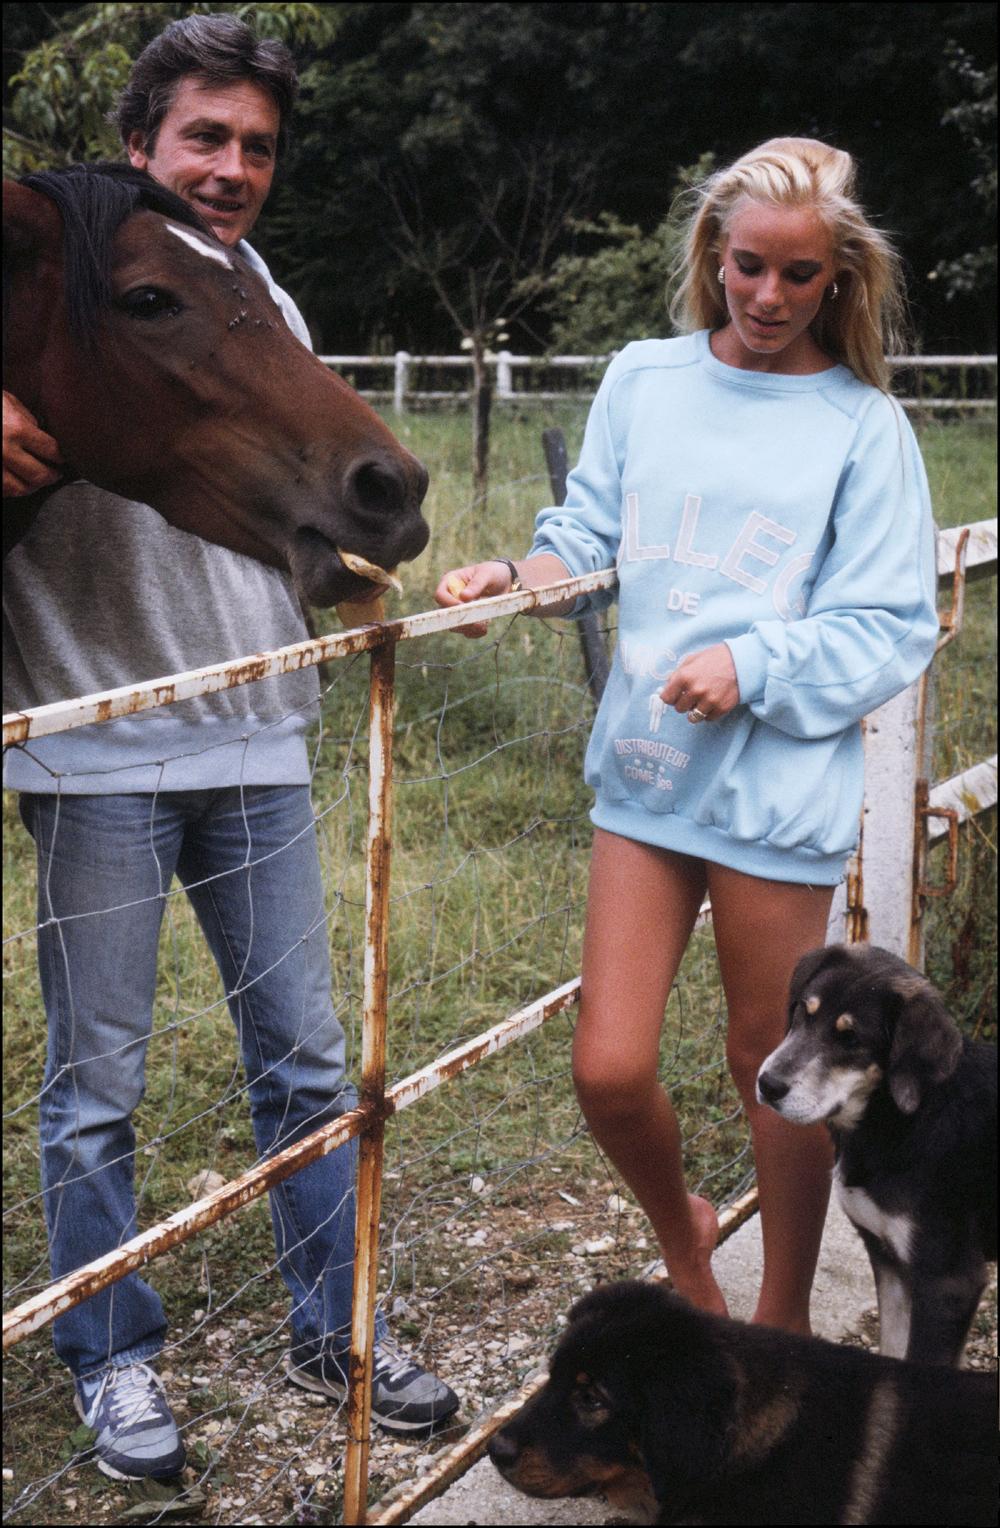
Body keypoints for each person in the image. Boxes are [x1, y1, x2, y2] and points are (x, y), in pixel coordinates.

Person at [3, 14, 457, 1483]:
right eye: (206, 136)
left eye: (258, 145)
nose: (233, 167)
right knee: (97, 1093)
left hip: (259, 738)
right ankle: (113, 1354)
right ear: (141, 144)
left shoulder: (261, 297)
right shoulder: (69, 280)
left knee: (308, 1064)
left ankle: (339, 1318)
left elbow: (296, 501)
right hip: (99, 751)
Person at [435, 138, 939, 1333]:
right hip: (648, 776)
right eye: (747, 267)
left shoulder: (861, 429)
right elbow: (591, 536)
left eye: (798, 276)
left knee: (771, 1076)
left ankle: (777, 1330)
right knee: (607, 1067)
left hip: (772, 791)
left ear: (838, 282)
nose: (766, 299)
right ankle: (690, 1254)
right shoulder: (644, 379)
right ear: (715, 254)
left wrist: (754, 663)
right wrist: (520, 576)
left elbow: (887, 623)